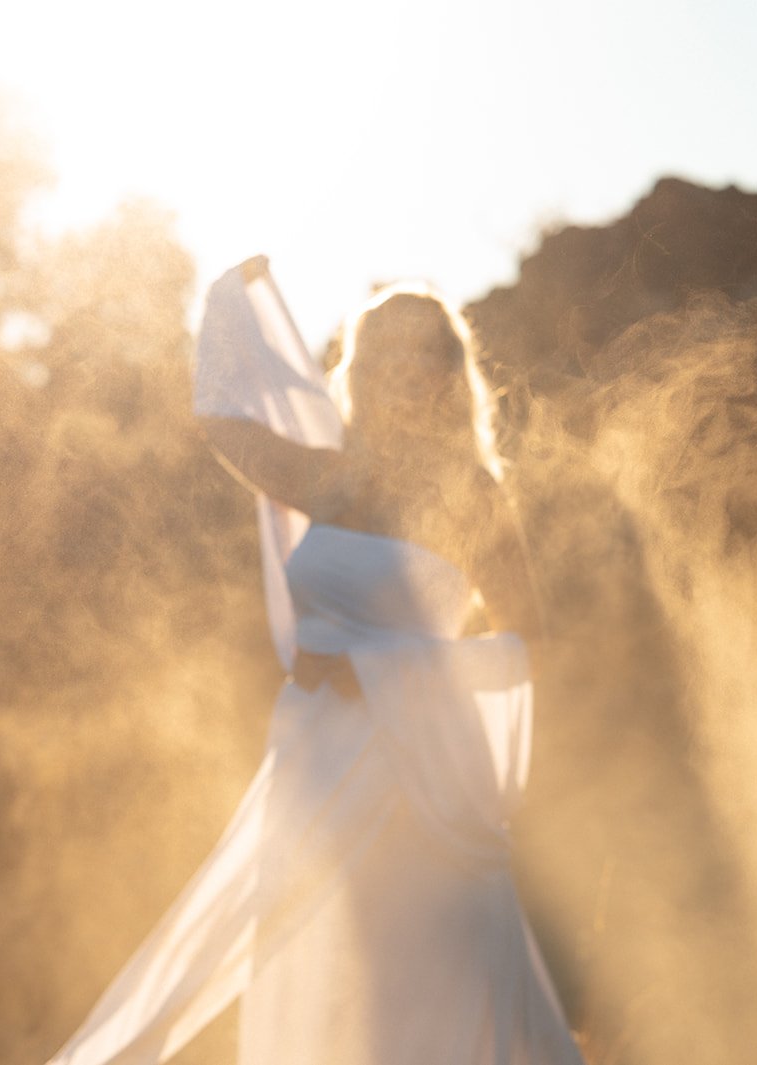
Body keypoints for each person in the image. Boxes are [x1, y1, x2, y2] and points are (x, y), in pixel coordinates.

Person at [44, 257, 585, 1065]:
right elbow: (222, 417)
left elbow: (528, 647)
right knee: (324, 991)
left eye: (426, 350)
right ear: (359, 368)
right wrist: (232, 299)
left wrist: (376, 667)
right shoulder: (325, 476)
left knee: (426, 994)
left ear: (449, 371)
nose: (406, 365)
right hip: (315, 767)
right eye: (385, 349)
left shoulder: (472, 491)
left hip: (422, 778)